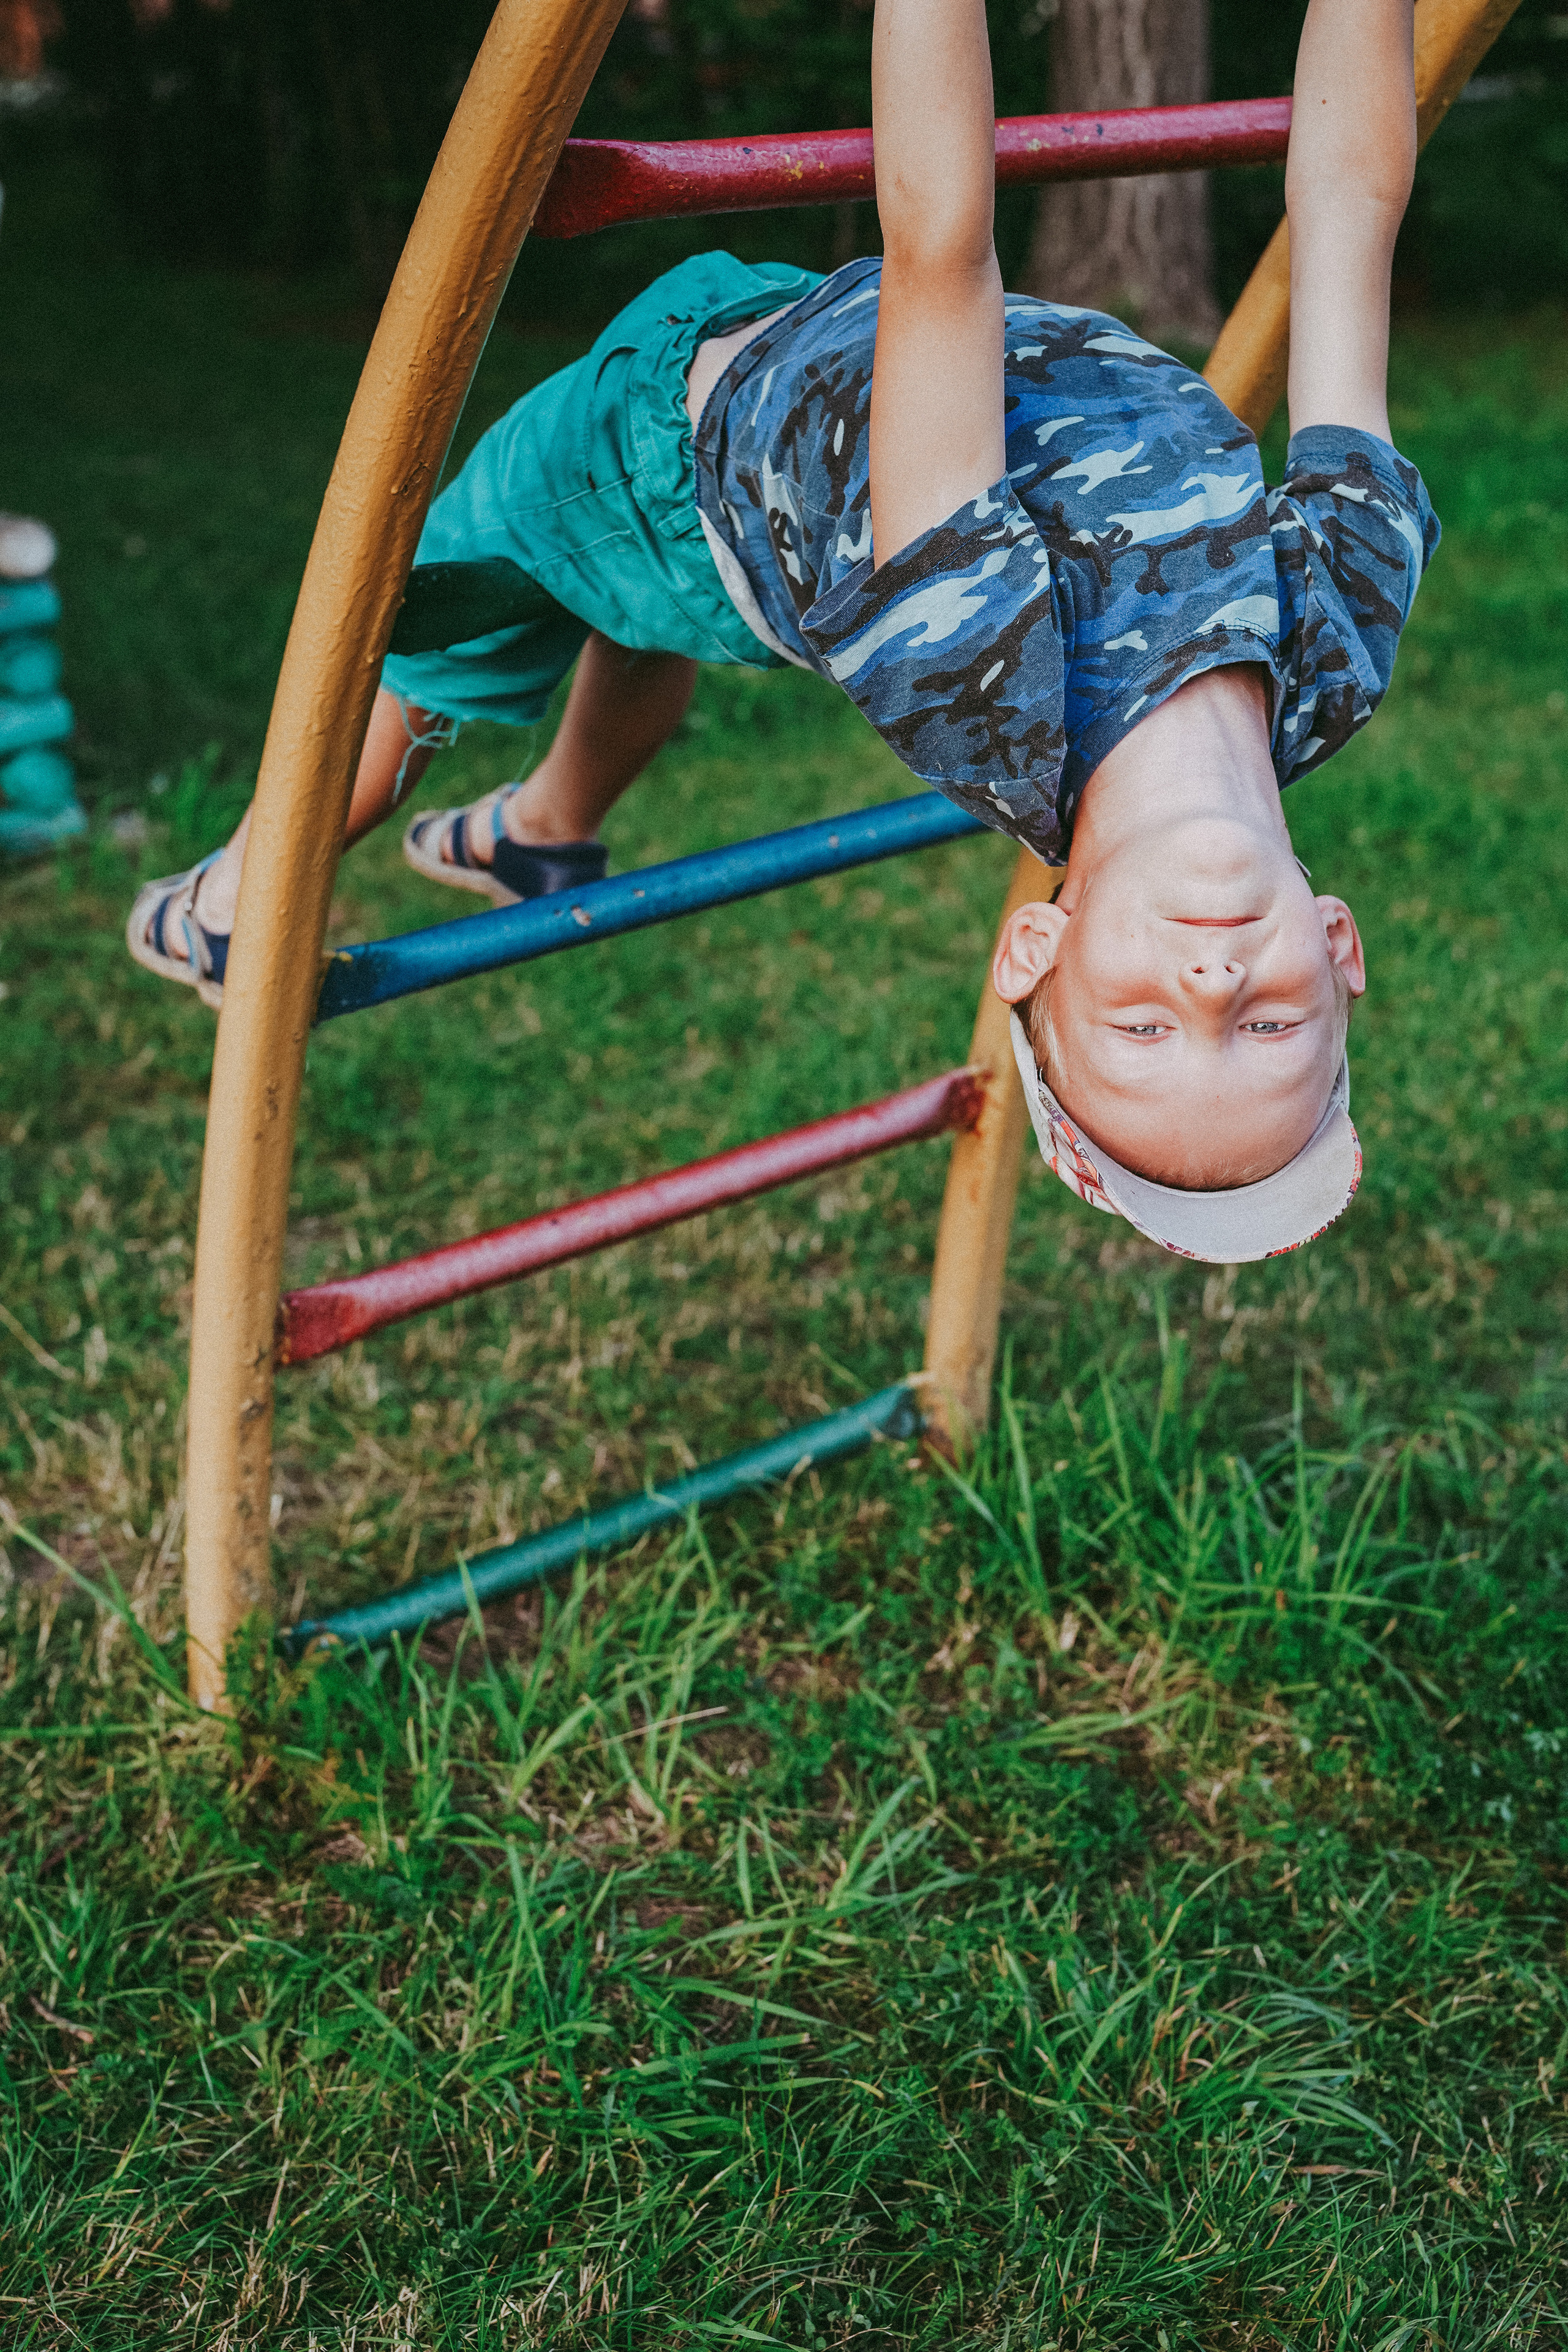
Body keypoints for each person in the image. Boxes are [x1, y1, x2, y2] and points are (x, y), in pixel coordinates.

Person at [129, 0, 1434, 1262]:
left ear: (1035, 946)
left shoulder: (988, 680)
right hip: (790, 468)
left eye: (1139, 1030)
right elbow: (1346, 218)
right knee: (640, 635)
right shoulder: (1334, 642)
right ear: (1335, 949)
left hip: (654, 461)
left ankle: (239, 899)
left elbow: (944, 249)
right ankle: (537, 835)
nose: (1206, 991)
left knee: (433, 624)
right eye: (1266, 1029)